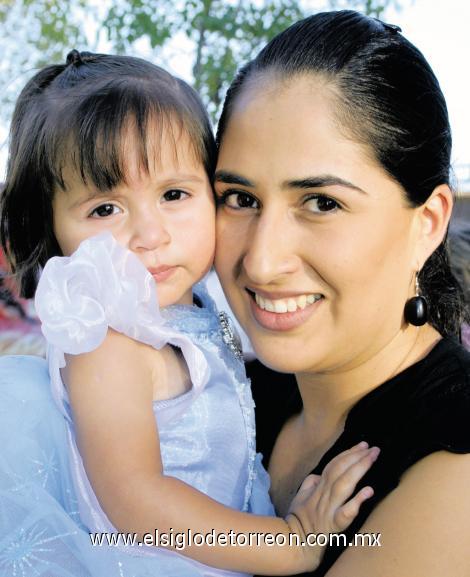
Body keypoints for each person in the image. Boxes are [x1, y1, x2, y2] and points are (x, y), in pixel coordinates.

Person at [0, 50, 378, 577]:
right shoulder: (109, 340)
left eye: (174, 193)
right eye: (105, 209)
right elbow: (137, 502)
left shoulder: (198, 307)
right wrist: (289, 542)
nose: (151, 236)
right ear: (53, 226)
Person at [214, 10, 470, 576]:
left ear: (426, 224)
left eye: (322, 203)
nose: (261, 259)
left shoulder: (456, 460)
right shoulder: (233, 398)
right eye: (239, 197)